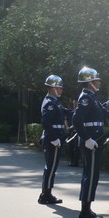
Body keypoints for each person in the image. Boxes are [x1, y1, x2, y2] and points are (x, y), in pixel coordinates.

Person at [72, 67, 109, 218]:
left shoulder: (92, 97)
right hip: (91, 142)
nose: (99, 82)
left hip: (94, 141)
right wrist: (87, 138)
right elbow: (76, 120)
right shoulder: (86, 97)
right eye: (97, 80)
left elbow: (106, 113)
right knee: (91, 176)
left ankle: (86, 210)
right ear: (90, 82)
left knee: (91, 175)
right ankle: (85, 213)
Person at [38, 75, 71, 205]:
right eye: (60, 87)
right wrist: (54, 138)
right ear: (53, 88)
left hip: (56, 137)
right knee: (50, 168)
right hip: (53, 138)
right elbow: (46, 122)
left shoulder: (54, 101)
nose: (61, 89)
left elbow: (66, 112)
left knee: (51, 167)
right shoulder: (50, 102)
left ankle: (47, 193)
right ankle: (45, 195)